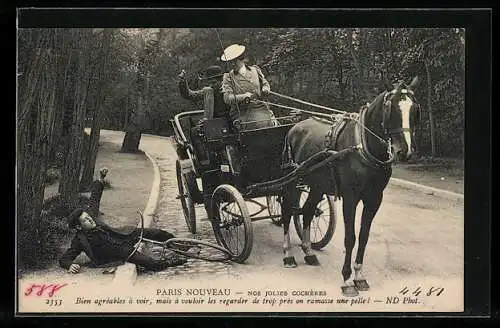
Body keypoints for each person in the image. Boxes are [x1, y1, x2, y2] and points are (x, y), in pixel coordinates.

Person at [59, 168, 197, 274]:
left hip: (122, 235)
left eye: (88, 217)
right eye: (86, 220)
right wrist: (70, 265)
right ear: (79, 227)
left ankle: (180, 246)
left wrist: (101, 178)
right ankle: (173, 261)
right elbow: (65, 258)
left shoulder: (92, 216)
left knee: (156, 233)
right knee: (151, 263)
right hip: (119, 253)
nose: (90, 219)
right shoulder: (80, 240)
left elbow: (94, 199)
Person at [220, 43, 274, 131]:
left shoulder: (255, 70)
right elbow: (227, 98)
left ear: (241, 59)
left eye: (234, 61)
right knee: (257, 125)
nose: (231, 64)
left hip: (261, 107)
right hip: (242, 112)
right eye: (229, 62)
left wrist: (265, 89)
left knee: (273, 126)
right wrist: (244, 96)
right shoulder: (228, 77)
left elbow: (265, 84)